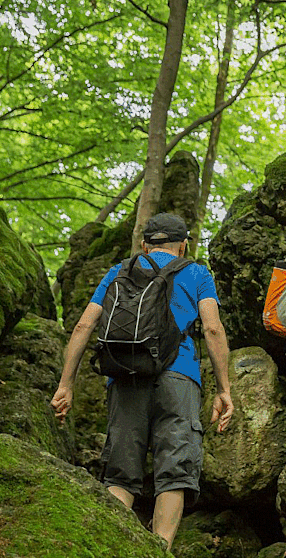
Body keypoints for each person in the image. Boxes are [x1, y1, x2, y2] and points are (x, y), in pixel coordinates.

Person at [50, 212, 234, 548]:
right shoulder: (196, 272)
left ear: (144, 244)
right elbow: (212, 328)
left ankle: (113, 550)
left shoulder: (118, 272)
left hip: (125, 376)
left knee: (120, 473)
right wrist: (224, 389)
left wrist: (66, 385)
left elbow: (83, 326)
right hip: (179, 377)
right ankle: (159, 549)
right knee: (175, 471)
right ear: (184, 245)